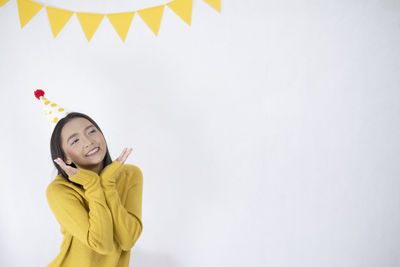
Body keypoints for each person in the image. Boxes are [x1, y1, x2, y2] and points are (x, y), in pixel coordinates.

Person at [45, 111, 143, 267]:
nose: (88, 141)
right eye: (75, 140)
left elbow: (128, 240)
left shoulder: (130, 174)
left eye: (91, 131)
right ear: (65, 158)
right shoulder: (59, 190)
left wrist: (107, 184)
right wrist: (93, 184)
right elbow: (101, 244)